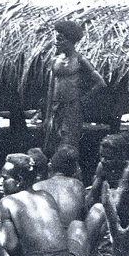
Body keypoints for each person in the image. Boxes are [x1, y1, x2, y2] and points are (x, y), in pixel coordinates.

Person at [43, 19, 107, 157]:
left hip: (72, 108)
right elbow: (51, 88)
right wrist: (48, 116)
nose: (57, 42)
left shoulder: (80, 60)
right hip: (56, 107)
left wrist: (82, 99)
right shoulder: (55, 60)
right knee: (53, 141)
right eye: (57, 39)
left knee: (69, 142)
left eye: (61, 39)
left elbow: (100, 82)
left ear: (70, 40)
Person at [87, 132, 129, 225]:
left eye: (108, 158)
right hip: (112, 208)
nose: (103, 160)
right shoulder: (102, 166)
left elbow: (119, 197)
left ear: (121, 156)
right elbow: (92, 193)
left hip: (128, 214)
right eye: (101, 156)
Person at [34, 144, 86, 225]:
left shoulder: (36, 186)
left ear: (50, 166)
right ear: (74, 169)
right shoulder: (77, 185)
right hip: (70, 233)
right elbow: (83, 216)